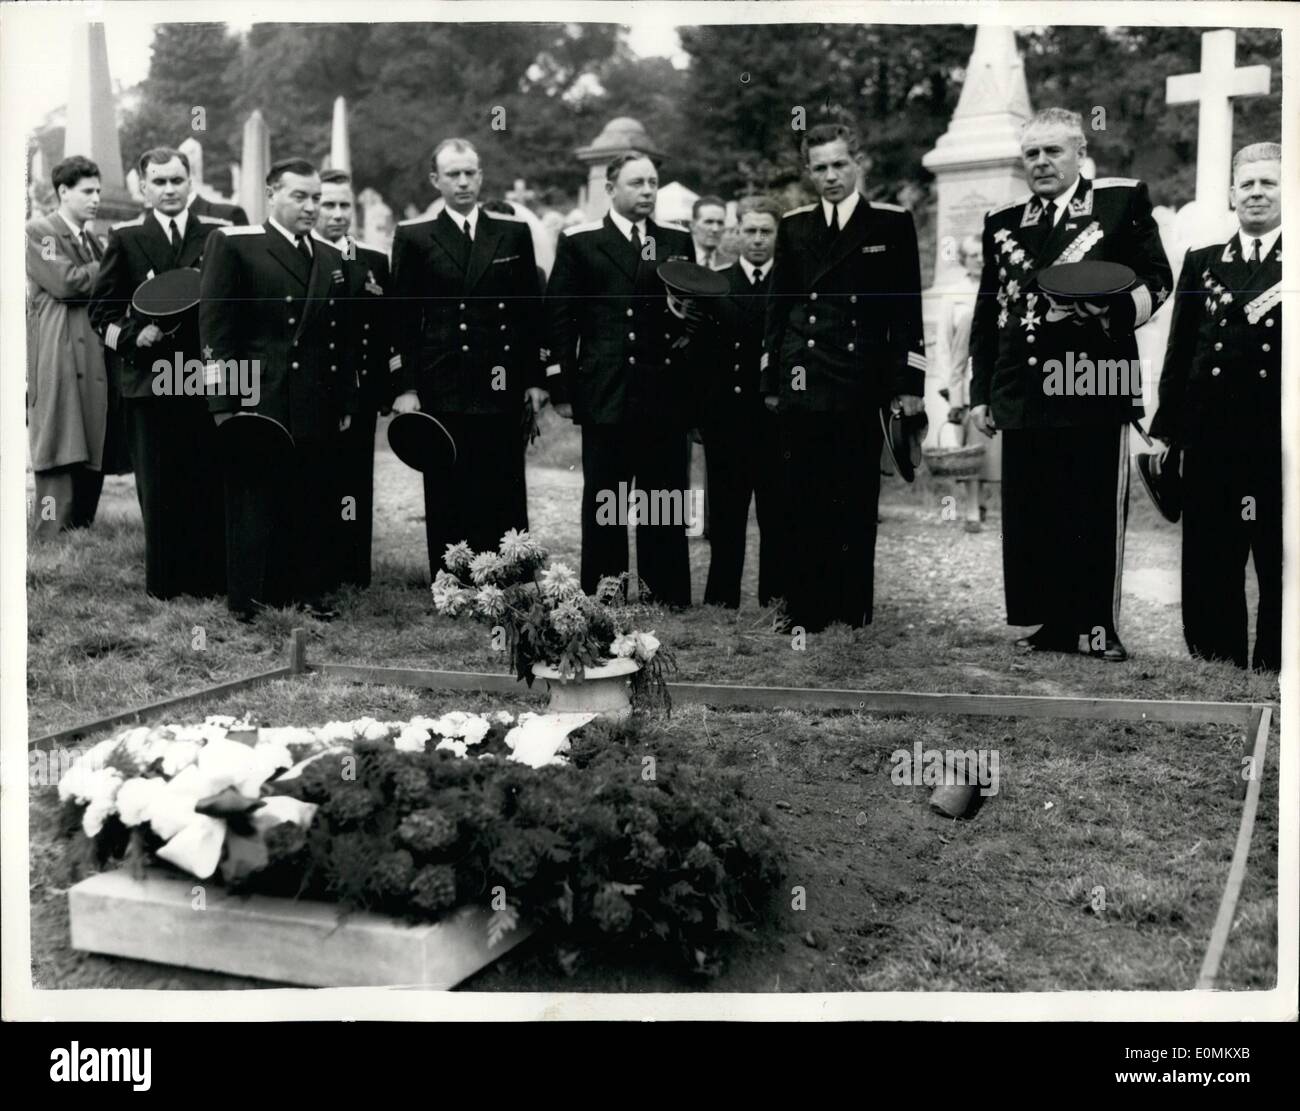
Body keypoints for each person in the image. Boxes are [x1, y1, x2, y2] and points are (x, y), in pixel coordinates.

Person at [969, 108, 1172, 662]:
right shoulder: (1004, 222)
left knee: (1090, 509)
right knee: (1036, 511)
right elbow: (989, 313)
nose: (1041, 163)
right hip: (1025, 385)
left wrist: (1111, 313)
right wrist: (982, 391)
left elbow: (1158, 279)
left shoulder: (1119, 202)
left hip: (1093, 380)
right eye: (1031, 154)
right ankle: (1053, 623)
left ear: (1080, 152)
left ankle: (1097, 626)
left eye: (1053, 151)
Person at [760, 123, 927, 632]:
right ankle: (805, 608)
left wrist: (909, 384)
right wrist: (772, 378)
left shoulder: (891, 224)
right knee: (801, 495)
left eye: (839, 165)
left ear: (859, 164)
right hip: (803, 377)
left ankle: (851, 606)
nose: (830, 177)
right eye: (819, 168)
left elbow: (907, 311)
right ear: (809, 172)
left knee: (855, 497)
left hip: (860, 381)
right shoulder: (795, 226)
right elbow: (779, 306)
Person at [198, 157, 357, 621]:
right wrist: (223, 403)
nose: (311, 207)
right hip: (258, 397)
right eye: (300, 197)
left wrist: (345, 397)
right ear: (272, 195)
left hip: (315, 397)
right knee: (254, 498)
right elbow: (215, 332)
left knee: (311, 496)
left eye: (317, 199)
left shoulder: (330, 257)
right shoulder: (234, 245)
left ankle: (307, 590)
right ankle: (249, 599)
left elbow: (341, 337)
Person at [1149, 142, 1281, 672]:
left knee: (1279, 559)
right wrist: (1166, 431)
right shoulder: (1202, 263)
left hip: (1278, 440)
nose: (1255, 193)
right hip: (1209, 437)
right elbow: (1180, 352)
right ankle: (1215, 661)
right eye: (1246, 184)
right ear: (1232, 194)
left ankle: (1277, 663)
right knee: (1210, 556)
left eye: (1268, 183)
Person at [390, 139, 547, 578]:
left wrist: (536, 378)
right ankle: (454, 580)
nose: (463, 182)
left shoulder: (512, 233)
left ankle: (508, 573)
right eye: (453, 174)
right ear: (435, 180)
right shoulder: (415, 237)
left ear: (480, 176)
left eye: (470, 173)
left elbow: (528, 312)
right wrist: (406, 387)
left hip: (501, 378)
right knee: (447, 480)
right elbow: (402, 319)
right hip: (443, 379)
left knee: (502, 478)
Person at [546, 151, 697, 605]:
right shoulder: (581, 241)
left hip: (661, 392)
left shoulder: (676, 241)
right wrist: (562, 388)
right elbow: (560, 319)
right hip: (605, 391)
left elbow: (692, 318)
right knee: (607, 499)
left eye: (653, 182)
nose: (648, 191)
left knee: (663, 496)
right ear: (610, 189)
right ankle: (605, 593)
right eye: (637, 183)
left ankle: (663, 591)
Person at [88, 147, 229, 598]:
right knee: (159, 480)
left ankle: (210, 579)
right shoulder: (126, 238)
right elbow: (101, 311)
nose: (169, 190)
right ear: (143, 187)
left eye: (176, 180)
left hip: (202, 376)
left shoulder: (217, 234)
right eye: (159, 182)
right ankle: (166, 584)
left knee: (207, 475)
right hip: (148, 380)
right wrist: (133, 336)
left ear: (191, 183)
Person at [702, 195, 786, 608]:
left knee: (776, 515)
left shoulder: (791, 284)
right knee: (726, 516)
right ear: (736, 233)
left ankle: (775, 598)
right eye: (749, 230)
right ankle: (721, 598)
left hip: (774, 420)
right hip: (727, 421)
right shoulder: (717, 284)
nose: (757, 240)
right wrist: (701, 417)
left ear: (777, 235)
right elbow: (702, 358)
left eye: (765, 231)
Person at [316, 168, 397, 589]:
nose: (336, 213)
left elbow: (384, 330)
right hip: (313, 389)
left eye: (343, 205)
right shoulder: (303, 255)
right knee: (317, 479)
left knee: (354, 480)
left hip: (360, 388)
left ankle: (352, 570)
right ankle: (317, 568)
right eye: (327, 204)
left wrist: (387, 388)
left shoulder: (372, 261)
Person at [26, 156, 109, 538]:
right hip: (57, 350)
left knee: (90, 434)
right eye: (87, 191)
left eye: (98, 190)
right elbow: (65, 283)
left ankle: (79, 528)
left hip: (89, 350)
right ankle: (48, 530)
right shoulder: (39, 232)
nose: (96, 199)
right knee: (58, 434)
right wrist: (108, 264)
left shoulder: (90, 239)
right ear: (63, 192)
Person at [939, 234, 1000, 532]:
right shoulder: (955, 294)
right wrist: (952, 394)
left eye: (982, 254)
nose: (978, 259)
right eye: (972, 255)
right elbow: (947, 346)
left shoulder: (1001, 287)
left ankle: (986, 498)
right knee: (972, 449)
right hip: (966, 380)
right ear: (963, 259)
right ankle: (972, 508)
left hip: (998, 379)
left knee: (993, 448)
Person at [691, 195, 727, 270]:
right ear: (693, 225)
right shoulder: (679, 260)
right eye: (709, 222)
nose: (715, 229)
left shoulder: (730, 263)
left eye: (720, 223)